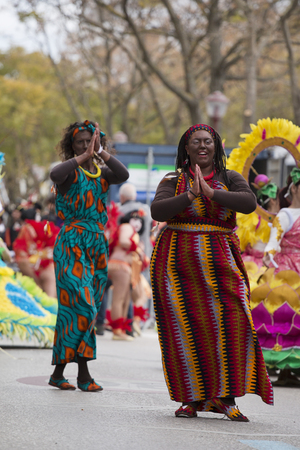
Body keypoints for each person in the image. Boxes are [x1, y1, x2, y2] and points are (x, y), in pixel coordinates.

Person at [150, 123, 274, 421]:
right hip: (177, 268)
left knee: (234, 323)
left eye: (208, 141)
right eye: (196, 142)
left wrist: (211, 194)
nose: (202, 146)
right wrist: (191, 195)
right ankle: (191, 400)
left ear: (216, 146)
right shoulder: (172, 178)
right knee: (185, 330)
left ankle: (227, 398)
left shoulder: (228, 178)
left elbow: (248, 203)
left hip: (221, 264)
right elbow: (158, 211)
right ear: (186, 148)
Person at [49, 120, 129, 391]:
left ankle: (60, 373)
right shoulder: (69, 174)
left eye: (90, 141)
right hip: (71, 243)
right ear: (71, 146)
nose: (85, 145)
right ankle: (83, 374)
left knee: (82, 311)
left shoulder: (103, 174)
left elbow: (124, 174)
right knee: (84, 306)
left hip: (96, 246)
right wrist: (82, 157)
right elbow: (54, 174)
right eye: (80, 142)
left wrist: (101, 152)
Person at [259, 166, 300, 386]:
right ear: (294, 188)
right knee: (287, 316)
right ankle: (284, 368)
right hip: (288, 271)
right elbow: (273, 241)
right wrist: (268, 255)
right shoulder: (285, 214)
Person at [107, 208, 150, 340]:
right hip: (120, 266)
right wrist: (138, 250)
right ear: (128, 219)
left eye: (140, 221)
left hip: (125, 268)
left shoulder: (134, 233)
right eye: (135, 219)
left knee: (125, 299)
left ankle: (121, 329)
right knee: (119, 299)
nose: (137, 223)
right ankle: (117, 331)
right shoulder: (126, 227)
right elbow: (124, 241)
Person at [13, 207, 60, 298]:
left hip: (39, 271)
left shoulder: (27, 230)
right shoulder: (59, 235)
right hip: (47, 271)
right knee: (51, 298)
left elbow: (18, 250)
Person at [237, 174, 279, 269]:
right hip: (259, 265)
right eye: (279, 198)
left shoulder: (253, 218)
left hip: (253, 262)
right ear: (272, 200)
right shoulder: (257, 220)